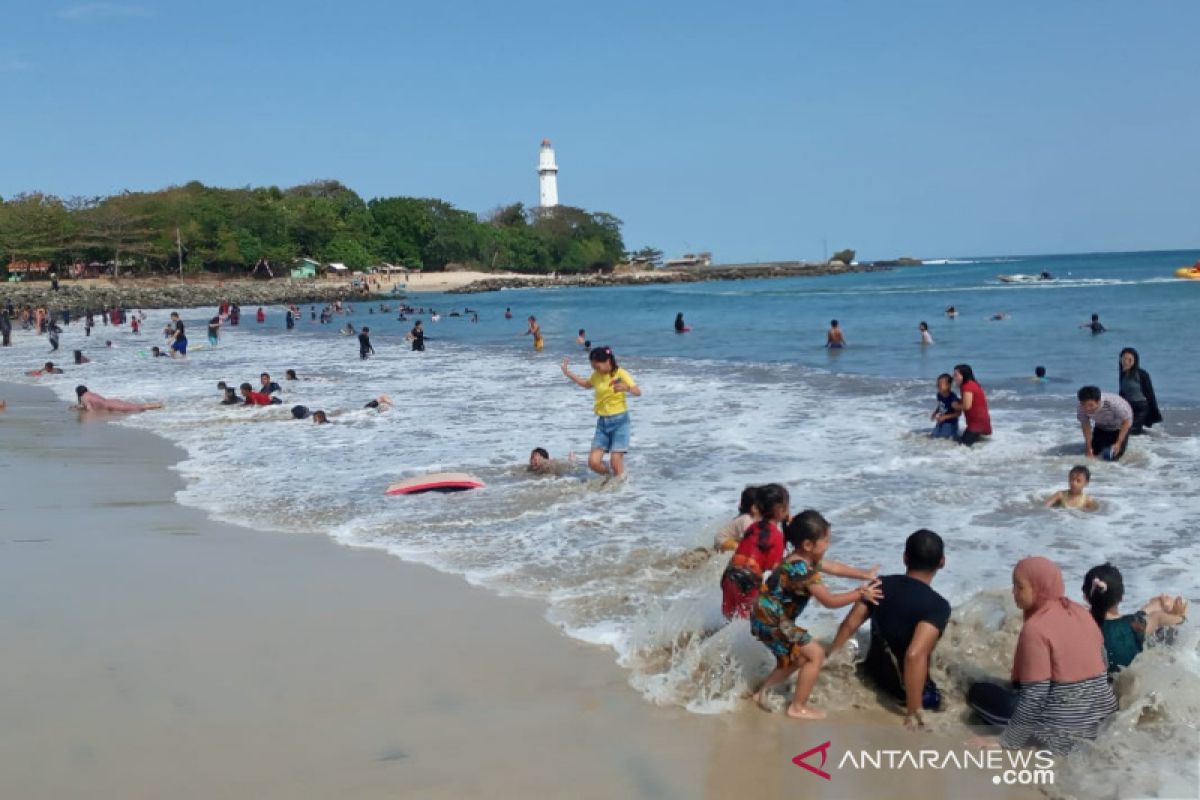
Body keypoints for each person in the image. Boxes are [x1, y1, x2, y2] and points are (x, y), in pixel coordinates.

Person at [967, 556, 1117, 753]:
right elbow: (1102, 664)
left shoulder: (1036, 628)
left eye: (1019, 587)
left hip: (1063, 731)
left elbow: (1035, 697)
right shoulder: (1081, 613)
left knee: (978, 692)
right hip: (1104, 719)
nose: (1013, 592)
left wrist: (1007, 741)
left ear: (1039, 588)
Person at [749, 510, 882, 720]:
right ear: (808, 545)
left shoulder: (802, 559)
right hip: (772, 621)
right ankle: (797, 707)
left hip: (764, 617)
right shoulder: (801, 571)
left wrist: (863, 574)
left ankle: (761, 693)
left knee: (796, 659)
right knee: (816, 654)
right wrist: (860, 593)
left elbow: (835, 567)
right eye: (826, 540)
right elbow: (829, 601)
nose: (828, 545)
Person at [829, 529, 949, 729]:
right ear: (942, 562)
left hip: (873, 675)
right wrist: (914, 712)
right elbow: (913, 655)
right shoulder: (938, 606)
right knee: (946, 699)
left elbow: (849, 624)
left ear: (905, 557)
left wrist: (830, 659)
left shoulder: (880, 585)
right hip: (902, 693)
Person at [1082, 563, 1187, 675]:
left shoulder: (1080, 621)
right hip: (1127, 686)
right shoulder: (1134, 625)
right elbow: (1164, 618)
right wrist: (1179, 615)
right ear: (1122, 596)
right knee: (1166, 632)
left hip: (1097, 686)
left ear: (1085, 597)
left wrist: (1147, 609)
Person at [560, 347, 642, 479]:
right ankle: (611, 479)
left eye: (596, 366)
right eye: (593, 367)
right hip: (603, 423)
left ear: (607, 361)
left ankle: (622, 491)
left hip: (620, 422)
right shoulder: (596, 375)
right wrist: (568, 373)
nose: (595, 370)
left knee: (615, 461)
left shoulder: (620, 373)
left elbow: (638, 391)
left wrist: (627, 388)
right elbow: (586, 384)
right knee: (593, 462)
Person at [719, 484, 789, 619]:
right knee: (748, 622)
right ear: (781, 509)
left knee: (730, 619)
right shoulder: (777, 535)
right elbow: (773, 567)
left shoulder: (752, 527)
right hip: (748, 579)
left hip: (730, 574)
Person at [1076, 385, 1132, 461]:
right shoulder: (1081, 407)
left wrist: (1118, 443)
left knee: (1111, 457)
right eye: (1084, 405)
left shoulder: (1114, 404)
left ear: (1098, 401)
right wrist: (1089, 447)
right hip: (1101, 426)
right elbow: (1086, 426)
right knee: (1092, 454)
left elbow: (1127, 421)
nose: (1087, 408)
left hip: (1120, 426)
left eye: (1091, 405)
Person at [1117, 347, 1162, 434]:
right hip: (1128, 407)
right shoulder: (1123, 374)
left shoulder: (1142, 374)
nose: (1126, 362)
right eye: (1124, 359)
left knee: (1128, 430)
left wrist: (1154, 412)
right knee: (1119, 428)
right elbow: (1122, 392)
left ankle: (1141, 442)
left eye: (1130, 359)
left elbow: (1150, 393)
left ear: (1135, 361)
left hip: (1141, 408)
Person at [953, 364, 991, 446]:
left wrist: (955, 405)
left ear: (964, 375)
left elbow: (967, 406)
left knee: (962, 446)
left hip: (977, 423)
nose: (954, 377)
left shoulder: (967, 386)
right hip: (981, 420)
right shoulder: (971, 383)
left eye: (956, 375)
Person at [713, 486, 760, 552]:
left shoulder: (749, 518)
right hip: (722, 540)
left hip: (727, 540)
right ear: (755, 508)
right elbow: (749, 540)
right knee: (742, 547)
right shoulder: (746, 519)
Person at [73, 385, 162, 413]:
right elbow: (91, 404)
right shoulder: (89, 394)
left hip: (112, 405)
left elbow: (90, 409)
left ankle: (159, 406)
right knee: (138, 406)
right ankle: (158, 405)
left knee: (140, 408)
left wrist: (90, 417)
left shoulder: (83, 397)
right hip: (112, 401)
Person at [929, 373, 961, 439]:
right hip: (941, 420)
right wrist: (935, 413)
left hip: (951, 423)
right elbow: (940, 405)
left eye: (940, 384)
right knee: (933, 436)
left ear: (949, 385)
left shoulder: (953, 397)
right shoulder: (939, 395)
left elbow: (958, 413)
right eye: (937, 384)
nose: (938, 386)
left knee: (945, 438)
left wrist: (945, 417)